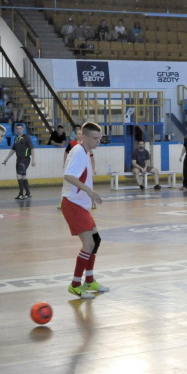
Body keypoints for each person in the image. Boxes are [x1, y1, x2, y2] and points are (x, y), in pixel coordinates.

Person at [61, 122, 107, 299]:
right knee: (88, 244)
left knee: (96, 239)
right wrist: (89, 191)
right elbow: (68, 175)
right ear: (85, 137)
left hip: (81, 205)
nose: (98, 141)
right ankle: (75, 285)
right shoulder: (79, 153)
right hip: (73, 204)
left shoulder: (85, 152)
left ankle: (89, 280)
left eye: (99, 138)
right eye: (95, 138)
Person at [2, 123, 35, 199]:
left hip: (25, 159)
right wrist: (6, 159)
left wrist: (33, 160)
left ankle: (21, 194)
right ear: (16, 130)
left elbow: (32, 148)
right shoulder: (16, 138)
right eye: (17, 129)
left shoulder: (26, 137)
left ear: (23, 129)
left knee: (18, 175)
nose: (19, 130)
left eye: (20, 128)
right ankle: (28, 193)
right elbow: (13, 149)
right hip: (19, 159)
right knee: (23, 176)